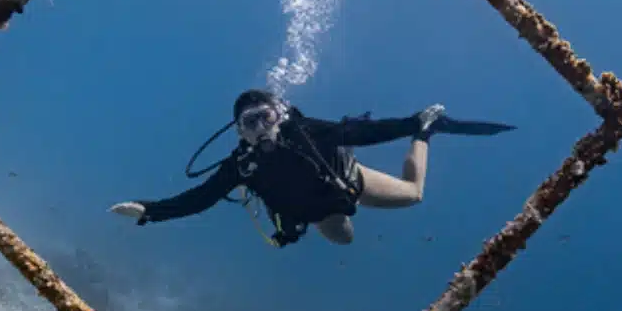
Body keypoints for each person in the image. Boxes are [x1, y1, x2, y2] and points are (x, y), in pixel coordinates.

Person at [110, 89, 514, 247]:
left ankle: (428, 132)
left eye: (265, 116)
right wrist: (151, 211)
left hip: (350, 180)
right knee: (343, 238)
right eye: (250, 123)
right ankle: (420, 131)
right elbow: (201, 198)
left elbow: (361, 132)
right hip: (319, 212)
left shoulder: (305, 132)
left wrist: (411, 123)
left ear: (279, 114)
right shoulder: (243, 165)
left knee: (414, 194)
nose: (260, 127)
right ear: (240, 133)